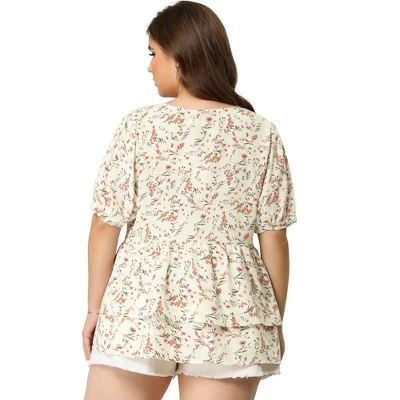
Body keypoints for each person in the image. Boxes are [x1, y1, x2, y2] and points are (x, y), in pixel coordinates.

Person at [82, 1, 297, 399]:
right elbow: (276, 239)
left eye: (153, 53)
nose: (149, 67)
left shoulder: (140, 126)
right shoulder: (261, 132)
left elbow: (103, 226)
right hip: (233, 310)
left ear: (178, 59)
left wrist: (95, 309)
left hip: (140, 304)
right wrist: (271, 322)